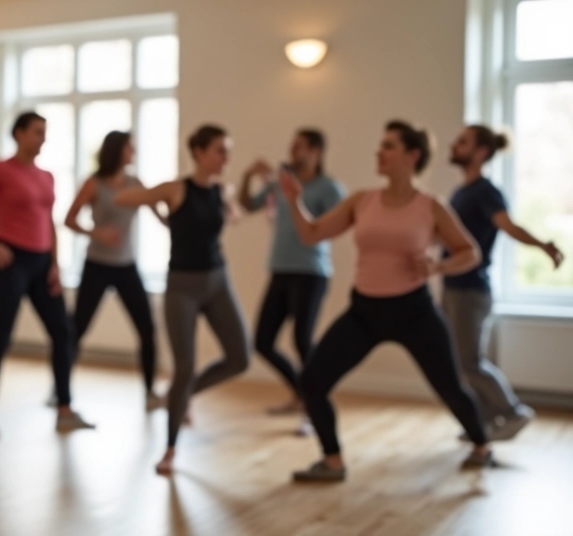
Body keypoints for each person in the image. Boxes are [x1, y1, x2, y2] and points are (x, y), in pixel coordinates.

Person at [281, 120, 492, 482]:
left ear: (412, 156)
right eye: (381, 146)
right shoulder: (362, 200)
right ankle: (332, 461)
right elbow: (311, 234)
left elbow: (469, 252)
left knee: (451, 387)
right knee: (312, 381)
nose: (379, 152)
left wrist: (438, 265)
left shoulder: (431, 206)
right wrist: (293, 200)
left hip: (415, 311)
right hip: (364, 311)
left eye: (389, 146)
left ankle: (482, 446)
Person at [115, 124, 251, 475]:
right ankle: (170, 448)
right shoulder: (176, 189)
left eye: (228, 150)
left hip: (218, 282)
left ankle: (186, 394)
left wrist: (237, 199)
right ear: (200, 152)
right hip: (182, 287)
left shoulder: (222, 190)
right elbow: (123, 198)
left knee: (240, 358)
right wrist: (152, 200)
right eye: (221, 150)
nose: (226, 157)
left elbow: (235, 216)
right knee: (184, 367)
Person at [0, 111, 95, 439]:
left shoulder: (46, 176)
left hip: (43, 262)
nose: (42, 138)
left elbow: (49, 221)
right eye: (36, 132)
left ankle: (64, 409)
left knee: (62, 332)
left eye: (45, 132)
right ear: (18, 134)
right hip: (11, 261)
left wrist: (56, 264)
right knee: (1, 337)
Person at [443, 125, 564, 440]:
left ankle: (512, 412)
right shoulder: (461, 192)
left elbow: (508, 226)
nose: (455, 144)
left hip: (471, 290)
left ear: (481, 152)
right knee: (459, 363)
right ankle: (481, 423)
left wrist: (543, 246)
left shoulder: (485, 192)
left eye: (463, 141)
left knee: (471, 362)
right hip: (453, 286)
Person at [238, 129, 345, 435]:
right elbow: (247, 205)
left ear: (316, 152)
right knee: (262, 342)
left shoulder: (329, 187)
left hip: (312, 272)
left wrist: (299, 204)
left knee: (302, 341)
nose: (292, 151)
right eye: (292, 146)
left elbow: (337, 223)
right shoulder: (280, 183)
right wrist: (249, 176)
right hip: (280, 270)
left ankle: (313, 409)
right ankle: (301, 393)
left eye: (299, 147)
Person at [63, 131, 165, 410]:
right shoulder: (94, 184)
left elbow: (162, 217)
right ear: (117, 150)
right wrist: (96, 232)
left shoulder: (136, 184)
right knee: (77, 329)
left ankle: (149, 392)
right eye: (130, 147)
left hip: (126, 266)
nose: (134, 151)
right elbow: (69, 220)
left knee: (147, 329)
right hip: (96, 266)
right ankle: (60, 390)